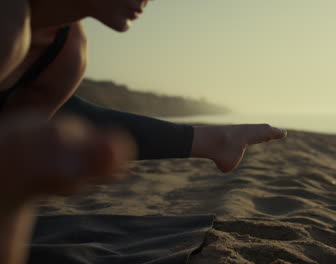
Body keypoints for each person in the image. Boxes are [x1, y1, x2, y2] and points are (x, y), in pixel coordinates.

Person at [0, 0, 287, 263]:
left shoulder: (68, 52)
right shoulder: (10, 21)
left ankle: (212, 139)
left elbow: (12, 177)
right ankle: (211, 139)